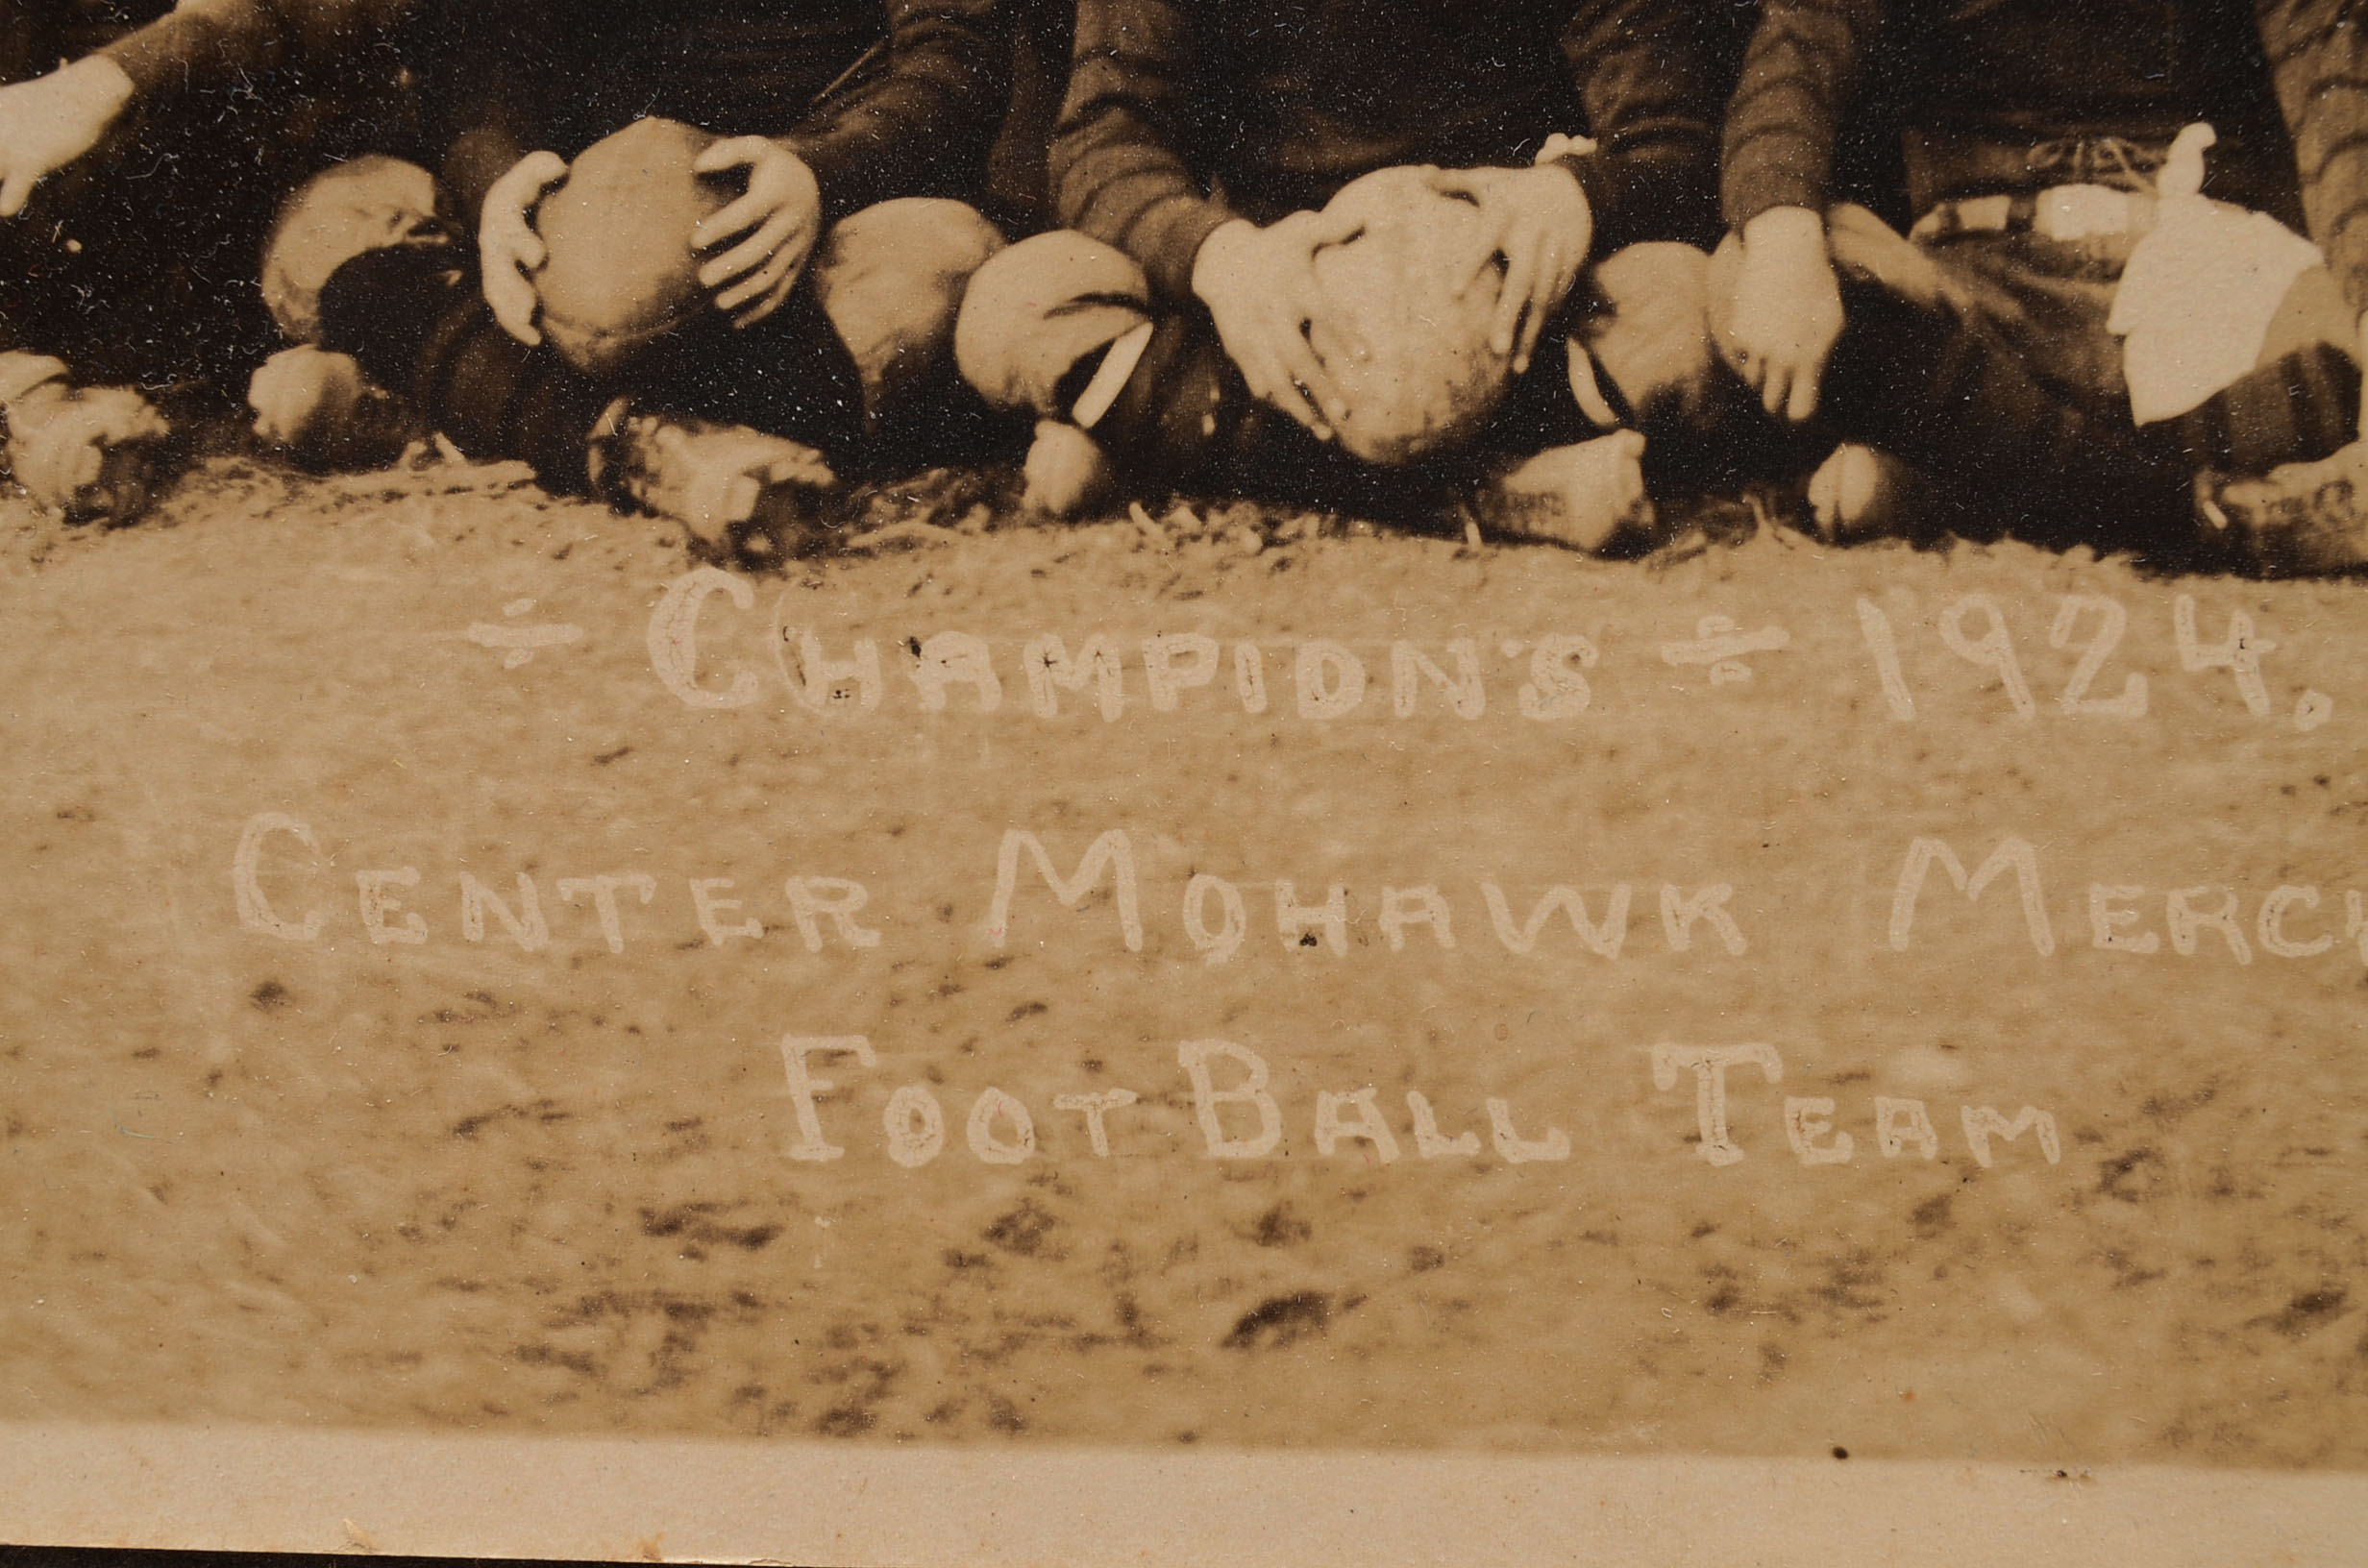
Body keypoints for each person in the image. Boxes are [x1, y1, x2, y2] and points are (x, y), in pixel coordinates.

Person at [949, 0, 1740, 550]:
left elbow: (1670, 132)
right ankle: (1498, 490)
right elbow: (1105, 139)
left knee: (1682, 317)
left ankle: (1177, 440)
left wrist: (1578, 193)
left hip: (1507, 310)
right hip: (1282, 311)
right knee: (1013, 307)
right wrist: (1222, 258)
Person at [249, 0, 1015, 555]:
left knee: (942, 265)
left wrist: (819, 172)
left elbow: (954, 50)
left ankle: (491, 397)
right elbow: (486, 47)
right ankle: (632, 437)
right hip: (583, 226)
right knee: (325, 232)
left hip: (800, 227)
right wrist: (499, 183)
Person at [1711, 0, 2368, 571]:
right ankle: (2180, 509)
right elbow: (1794, 65)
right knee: (1742, 270)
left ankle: (1970, 481)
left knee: (2347, 326)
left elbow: (2335, 109)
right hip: (1975, 282)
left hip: (2199, 265)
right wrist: (1785, 245)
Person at [0, 0, 419, 522]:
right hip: (83, 227)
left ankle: (355, 378)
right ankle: (36, 403)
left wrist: (107, 79)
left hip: (273, 183)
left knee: (344, 241)